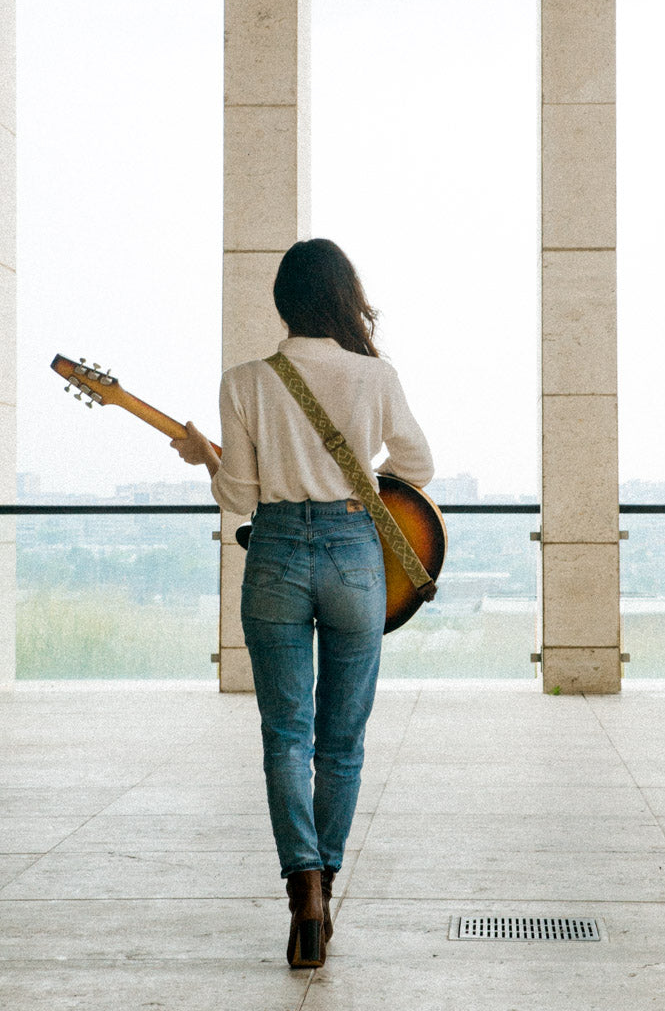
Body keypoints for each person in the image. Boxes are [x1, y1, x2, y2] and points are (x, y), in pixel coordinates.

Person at [172, 238, 433, 969]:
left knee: (285, 734)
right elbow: (418, 466)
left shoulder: (245, 381)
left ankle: (303, 889)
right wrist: (352, 475)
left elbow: (240, 498)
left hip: (278, 554)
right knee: (341, 740)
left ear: (285, 301)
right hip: (355, 554)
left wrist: (208, 461)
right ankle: (329, 881)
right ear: (346, 298)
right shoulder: (375, 377)